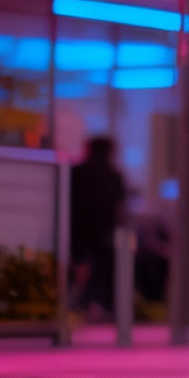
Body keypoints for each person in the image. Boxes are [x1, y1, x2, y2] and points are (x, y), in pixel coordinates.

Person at [68, 135, 126, 320]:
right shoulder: (114, 176)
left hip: (77, 230)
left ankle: (76, 303)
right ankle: (98, 305)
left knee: (77, 268)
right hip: (103, 232)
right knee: (104, 269)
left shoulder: (76, 172)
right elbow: (120, 207)